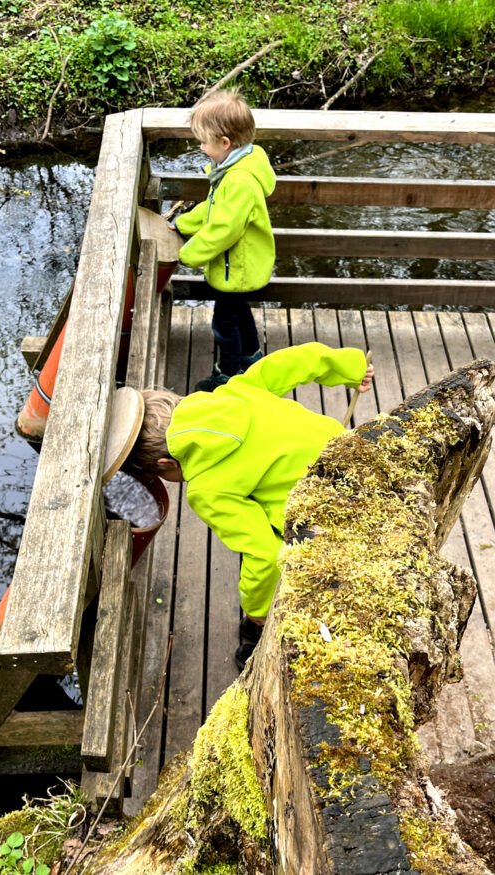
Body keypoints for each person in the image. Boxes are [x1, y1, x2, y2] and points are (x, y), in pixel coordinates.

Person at [127, 342, 375, 669]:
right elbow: (297, 360)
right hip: (352, 455)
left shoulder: (206, 490)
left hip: (329, 510)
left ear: (165, 463)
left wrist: (257, 611)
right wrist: (349, 367)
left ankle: (265, 640)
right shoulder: (234, 390)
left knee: (274, 557)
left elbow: (263, 553)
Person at [171, 89, 276, 392]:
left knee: (224, 323)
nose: (201, 148)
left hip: (238, 268)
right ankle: (252, 358)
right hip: (239, 265)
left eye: (204, 142)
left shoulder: (239, 180)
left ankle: (228, 373)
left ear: (225, 143)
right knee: (239, 312)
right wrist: (182, 224)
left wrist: (188, 255)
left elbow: (224, 229)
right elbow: (214, 209)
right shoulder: (233, 168)